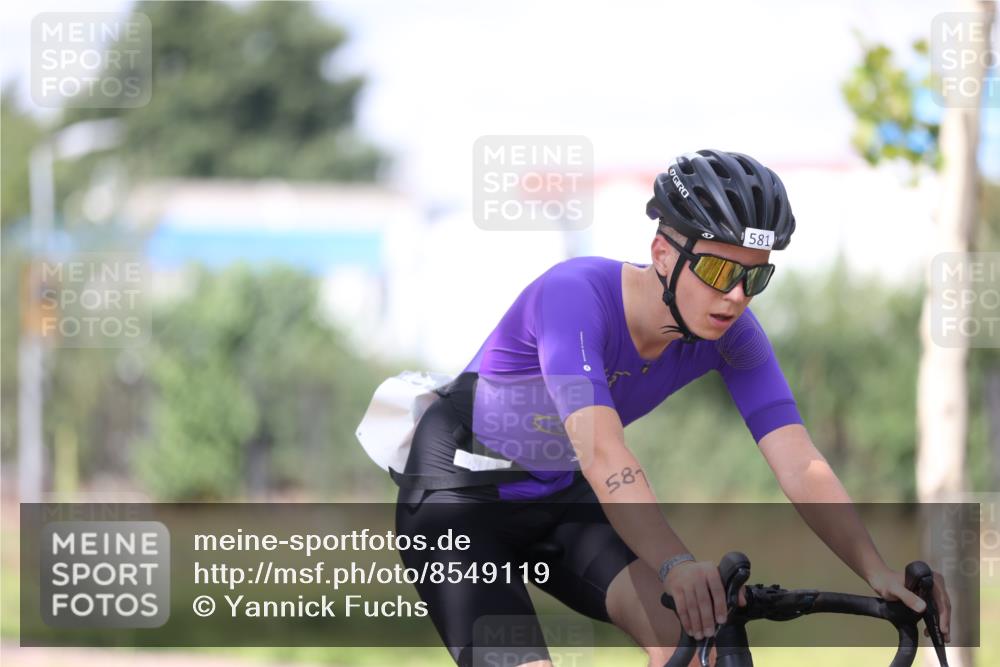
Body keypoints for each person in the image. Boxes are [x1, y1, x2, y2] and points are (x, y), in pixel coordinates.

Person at [393, 149, 951, 667]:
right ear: (663, 254)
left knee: (697, 645)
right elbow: (603, 452)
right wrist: (676, 563)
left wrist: (875, 568)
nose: (735, 295)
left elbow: (800, 464)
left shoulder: (734, 336)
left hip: (558, 496)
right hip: (459, 497)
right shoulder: (575, 294)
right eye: (716, 271)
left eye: (753, 275)